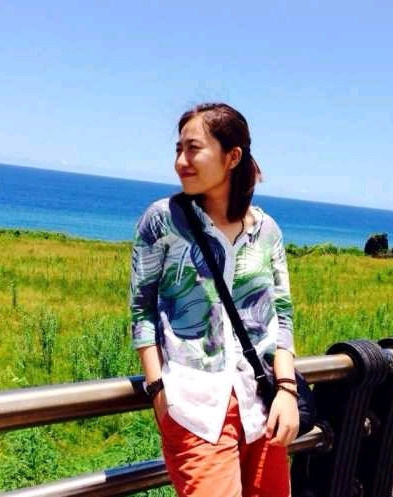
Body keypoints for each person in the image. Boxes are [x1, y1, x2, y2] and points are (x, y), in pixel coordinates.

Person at [130, 102, 298, 497]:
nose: (180, 162)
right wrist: (158, 393)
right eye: (178, 149)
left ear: (232, 157)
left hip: (262, 406)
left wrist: (287, 391)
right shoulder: (163, 220)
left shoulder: (267, 231)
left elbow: (282, 316)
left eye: (193, 149)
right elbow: (141, 310)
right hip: (195, 409)